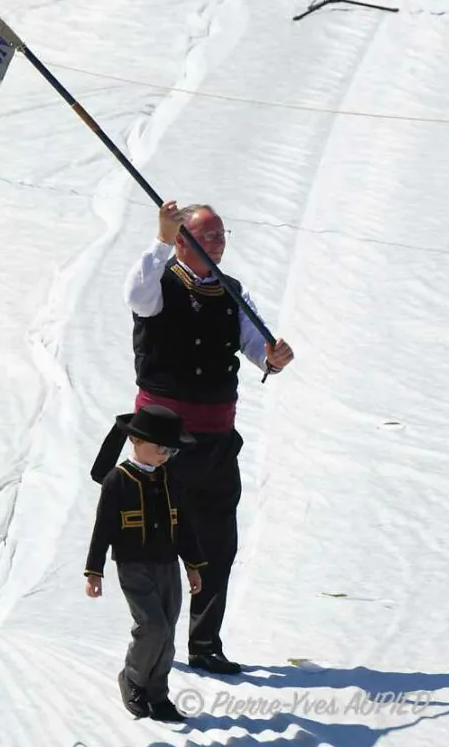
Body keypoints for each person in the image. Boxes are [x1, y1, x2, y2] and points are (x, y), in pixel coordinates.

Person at [91, 200, 297, 675]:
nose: (219, 243)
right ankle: (154, 640)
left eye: (223, 235)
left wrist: (273, 359)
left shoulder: (233, 293)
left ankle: (205, 643)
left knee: (217, 544)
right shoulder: (158, 283)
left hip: (217, 440)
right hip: (162, 446)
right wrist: (160, 239)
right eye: (208, 236)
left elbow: (255, 349)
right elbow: (135, 295)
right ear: (184, 242)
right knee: (157, 546)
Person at [85, 404, 206, 724]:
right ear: (135, 441)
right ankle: (133, 679)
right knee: (152, 627)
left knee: (167, 631)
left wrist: (192, 564)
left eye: (170, 449)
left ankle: (158, 693)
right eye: (159, 448)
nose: (165, 454)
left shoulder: (171, 479)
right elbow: (103, 528)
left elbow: (183, 526)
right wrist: (94, 570)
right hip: (133, 565)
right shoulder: (117, 480)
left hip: (167, 565)